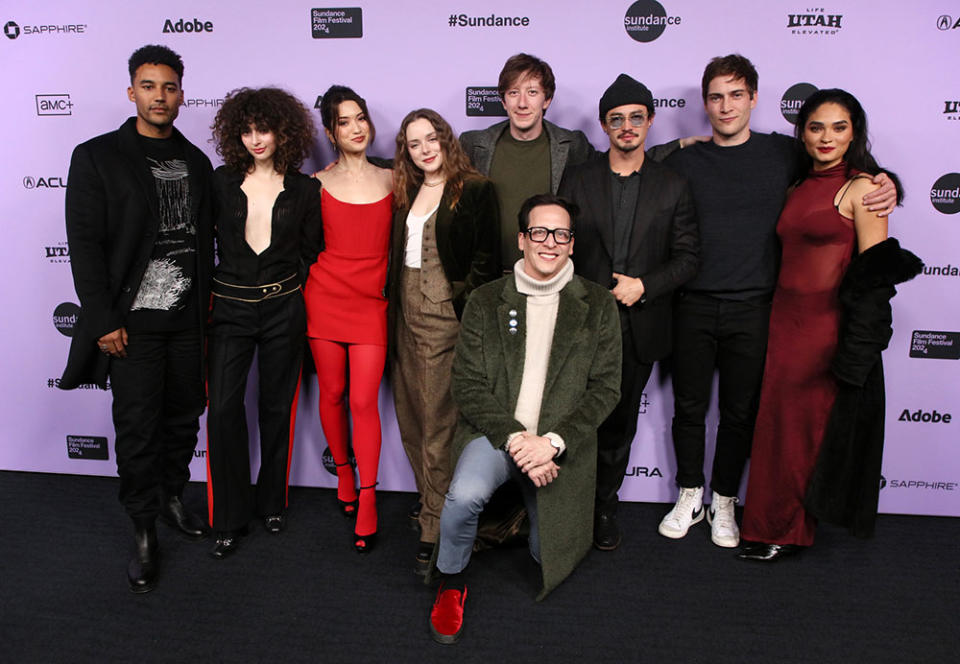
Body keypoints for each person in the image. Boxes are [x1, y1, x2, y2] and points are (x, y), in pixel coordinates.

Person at [662, 55, 899, 550]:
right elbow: (633, 160)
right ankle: (690, 494)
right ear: (704, 103)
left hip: (757, 308)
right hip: (695, 304)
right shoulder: (685, 159)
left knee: (741, 412)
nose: (725, 106)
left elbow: (847, 170)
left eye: (735, 94)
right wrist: (680, 141)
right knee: (689, 407)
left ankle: (725, 499)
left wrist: (890, 182)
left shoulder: (782, 155)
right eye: (715, 96)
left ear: (753, 98)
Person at [428, 194, 621, 644]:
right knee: (464, 496)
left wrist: (551, 442)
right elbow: (468, 384)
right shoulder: (485, 299)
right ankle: (450, 580)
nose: (549, 242)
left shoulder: (596, 304)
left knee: (544, 553)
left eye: (560, 234)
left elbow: (605, 389)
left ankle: (518, 517)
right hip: (498, 434)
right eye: (539, 232)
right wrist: (519, 439)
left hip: (557, 443)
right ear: (521, 239)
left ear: (572, 244)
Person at [738, 89, 921, 561]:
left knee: (804, 432)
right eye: (817, 127)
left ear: (854, 132)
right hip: (783, 322)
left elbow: (873, 277)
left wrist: (858, 347)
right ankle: (764, 523)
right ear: (802, 132)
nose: (826, 137)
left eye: (839, 127)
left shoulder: (864, 189)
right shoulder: (798, 185)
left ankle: (787, 531)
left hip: (823, 329)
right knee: (776, 426)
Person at [60, 44, 214, 592]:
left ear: (180, 94)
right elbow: (85, 245)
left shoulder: (197, 161)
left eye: (169, 87)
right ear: (132, 91)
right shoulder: (97, 156)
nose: (160, 96)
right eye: (149, 86)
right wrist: (103, 320)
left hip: (188, 322)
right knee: (137, 428)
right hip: (132, 325)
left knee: (182, 420)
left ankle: (173, 495)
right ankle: (143, 527)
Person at [557, 74, 699, 551]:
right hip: (580, 325)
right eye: (616, 119)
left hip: (638, 325)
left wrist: (645, 286)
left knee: (618, 425)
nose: (627, 126)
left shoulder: (673, 185)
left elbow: (688, 257)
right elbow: (560, 245)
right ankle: (563, 504)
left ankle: (602, 506)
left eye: (636, 117)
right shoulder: (578, 179)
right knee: (572, 418)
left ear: (650, 121)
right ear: (603, 126)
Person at [205, 88, 323, 559]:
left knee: (277, 409)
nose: (256, 139)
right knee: (223, 411)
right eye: (247, 131)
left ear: (283, 132)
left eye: (265, 129)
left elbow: (312, 252)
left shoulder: (306, 189)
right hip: (228, 308)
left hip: (283, 308)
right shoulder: (219, 182)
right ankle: (228, 517)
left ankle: (272, 501)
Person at [388, 108, 500, 573]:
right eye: (415, 144)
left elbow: (485, 261)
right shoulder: (407, 188)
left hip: (443, 313)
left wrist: (464, 312)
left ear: (446, 139)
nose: (425, 149)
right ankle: (427, 497)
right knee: (410, 413)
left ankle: (436, 522)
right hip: (403, 309)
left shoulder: (475, 188)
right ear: (407, 151)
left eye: (431, 138)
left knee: (438, 420)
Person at [459, 53, 687, 269]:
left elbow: (619, 162)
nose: (522, 103)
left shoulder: (570, 145)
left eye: (532, 92)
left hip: (550, 275)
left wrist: (679, 146)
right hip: (489, 279)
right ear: (503, 100)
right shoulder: (476, 145)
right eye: (513, 93)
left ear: (546, 99)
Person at [303, 85, 394, 553]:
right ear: (330, 132)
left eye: (360, 117)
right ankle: (343, 472)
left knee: (363, 400)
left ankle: (368, 494)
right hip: (325, 299)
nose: (356, 127)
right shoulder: (315, 184)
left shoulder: (394, 180)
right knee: (333, 393)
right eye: (344, 121)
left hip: (372, 305)